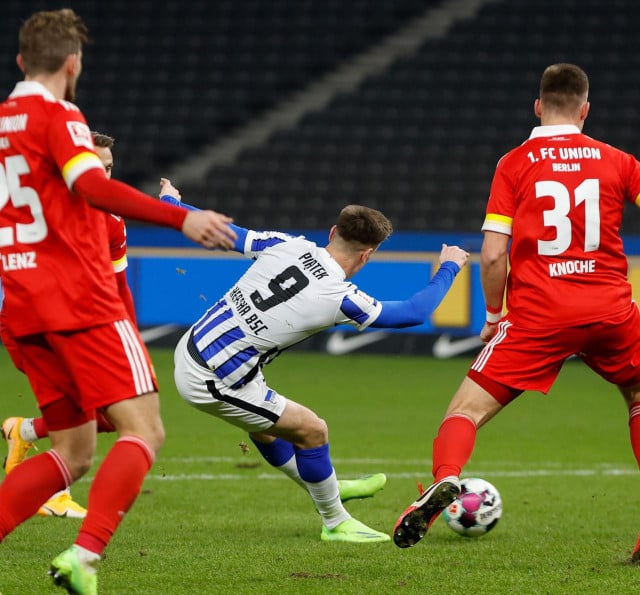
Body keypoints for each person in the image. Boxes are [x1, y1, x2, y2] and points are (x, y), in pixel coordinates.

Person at [0, 9, 236, 595]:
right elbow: (93, 187)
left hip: (21, 309)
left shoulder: (3, 125)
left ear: (22, 61)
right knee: (145, 431)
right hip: (78, 301)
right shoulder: (59, 116)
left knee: (75, 451)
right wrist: (180, 217)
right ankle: (85, 554)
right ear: (72, 66)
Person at [392, 63, 640, 561]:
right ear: (585, 111)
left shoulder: (515, 163)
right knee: (637, 397)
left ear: (537, 106)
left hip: (538, 316)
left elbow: (491, 253)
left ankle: (444, 482)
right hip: (611, 311)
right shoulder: (620, 162)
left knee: (464, 411)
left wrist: (491, 313)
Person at [160, 179, 469, 544]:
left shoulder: (286, 244)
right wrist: (449, 267)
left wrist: (171, 202)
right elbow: (415, 311)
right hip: (214, 377)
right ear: (367, 255)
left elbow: (220, 232)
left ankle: (328, 485)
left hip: (199, 345)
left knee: (265, 426)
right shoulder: (339, 296)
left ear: (333, 231)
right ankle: (335, 520)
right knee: (312, 430)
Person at [2, 132, 132, 519]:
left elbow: (119, 287)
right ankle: (50, 491)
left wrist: (127, 341)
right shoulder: (36, 210)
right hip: (34, 329)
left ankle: (22, 432)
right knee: (82, 415)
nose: (102, 175)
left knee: (109, 416)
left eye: (107, 167)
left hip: (82, 331)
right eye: (93, 165)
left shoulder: (112, 221)